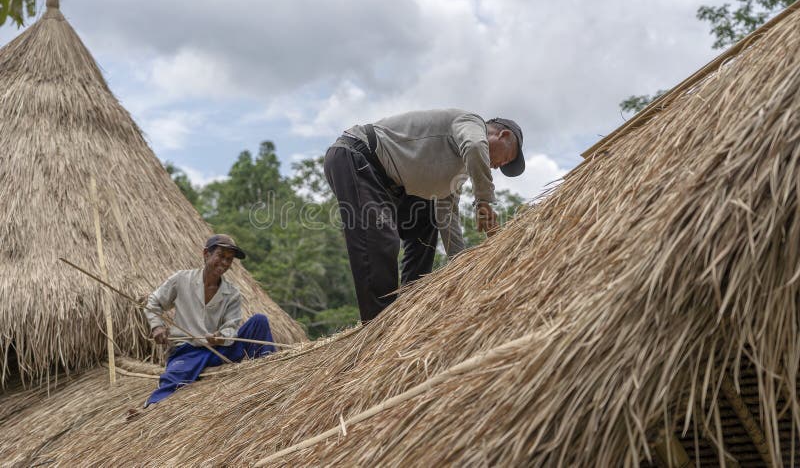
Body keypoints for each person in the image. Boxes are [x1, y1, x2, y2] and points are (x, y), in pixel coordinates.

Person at [324, 109, 525, 322]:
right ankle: (379, 325)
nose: (498, 166)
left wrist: (463, 267)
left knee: (428, 216)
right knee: (380, 239)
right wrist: (484, 199)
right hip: (357, 158)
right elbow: (475, 146)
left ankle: (410, 304)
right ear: (503, 136)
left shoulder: (457, 173)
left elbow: (447, 217)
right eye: (507, 158)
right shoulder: (472, 123)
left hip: (389, 186)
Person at [143, 234, 276, 407]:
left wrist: (221, 336)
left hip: (219, 351)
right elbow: (153, 302)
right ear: (206, 254)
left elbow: (231, 326)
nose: (224, 263)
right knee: (174, 379)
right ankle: (150, 408)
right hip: (188, 351)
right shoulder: (181, 280)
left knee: (260, 321)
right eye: (220, 256)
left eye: (229, 259)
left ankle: (271, 378)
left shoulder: (232, 294)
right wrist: (157, 327)